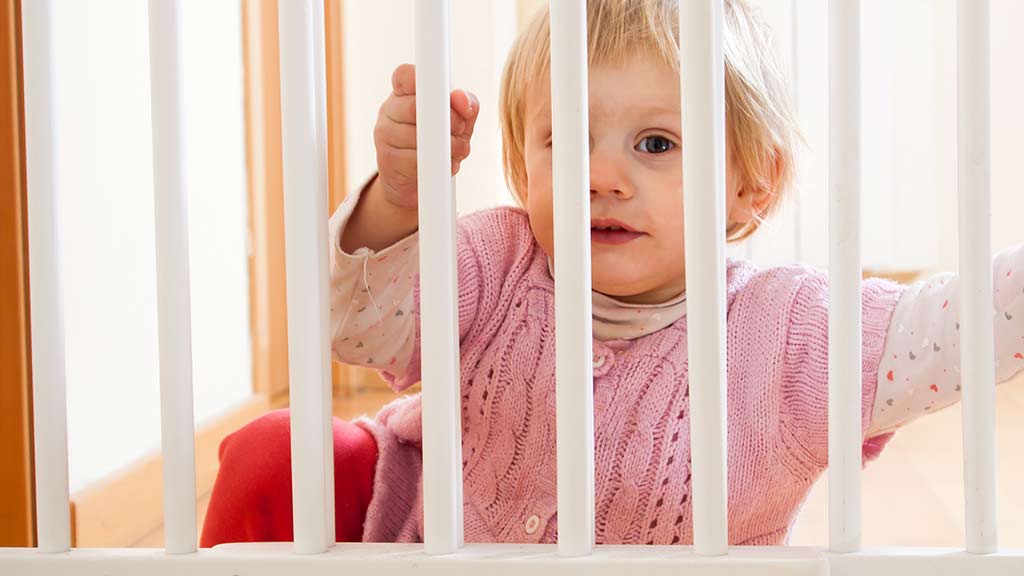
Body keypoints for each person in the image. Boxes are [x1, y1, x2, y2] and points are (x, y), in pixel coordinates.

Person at [200, 0, 1024, 547]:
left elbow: (945, 329)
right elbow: (356, 329)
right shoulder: (495, 257)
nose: (601, 176)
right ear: (523, 166)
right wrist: (399, 200)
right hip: (416, 540)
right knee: (282, 447)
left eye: (656, 144)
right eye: (565, 139)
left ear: (752, 181)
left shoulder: (792, 332)